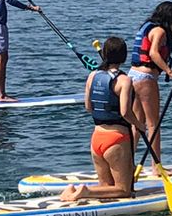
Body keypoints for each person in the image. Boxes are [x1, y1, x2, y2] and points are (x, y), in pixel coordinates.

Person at [59, 36, 138, 202]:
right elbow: (125, 113)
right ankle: (85, 191)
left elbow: (88, 107)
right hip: (116, 139)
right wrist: (140, 125)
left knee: (107, 188)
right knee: (124, 190)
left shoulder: (92, 76)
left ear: (104, 54)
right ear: (123, 57)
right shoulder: (124, 81)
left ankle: (73, 190)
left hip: (96, 138)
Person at [129, 1, 172, 175]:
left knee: (138, 123)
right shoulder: (160, 30)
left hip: (132, 75)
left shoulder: (148, 26)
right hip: (146, 78)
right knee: (153, 124)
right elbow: (153, 53)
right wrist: (171, 72)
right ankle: (156, 167)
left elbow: (153, 45)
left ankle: (127, 162)